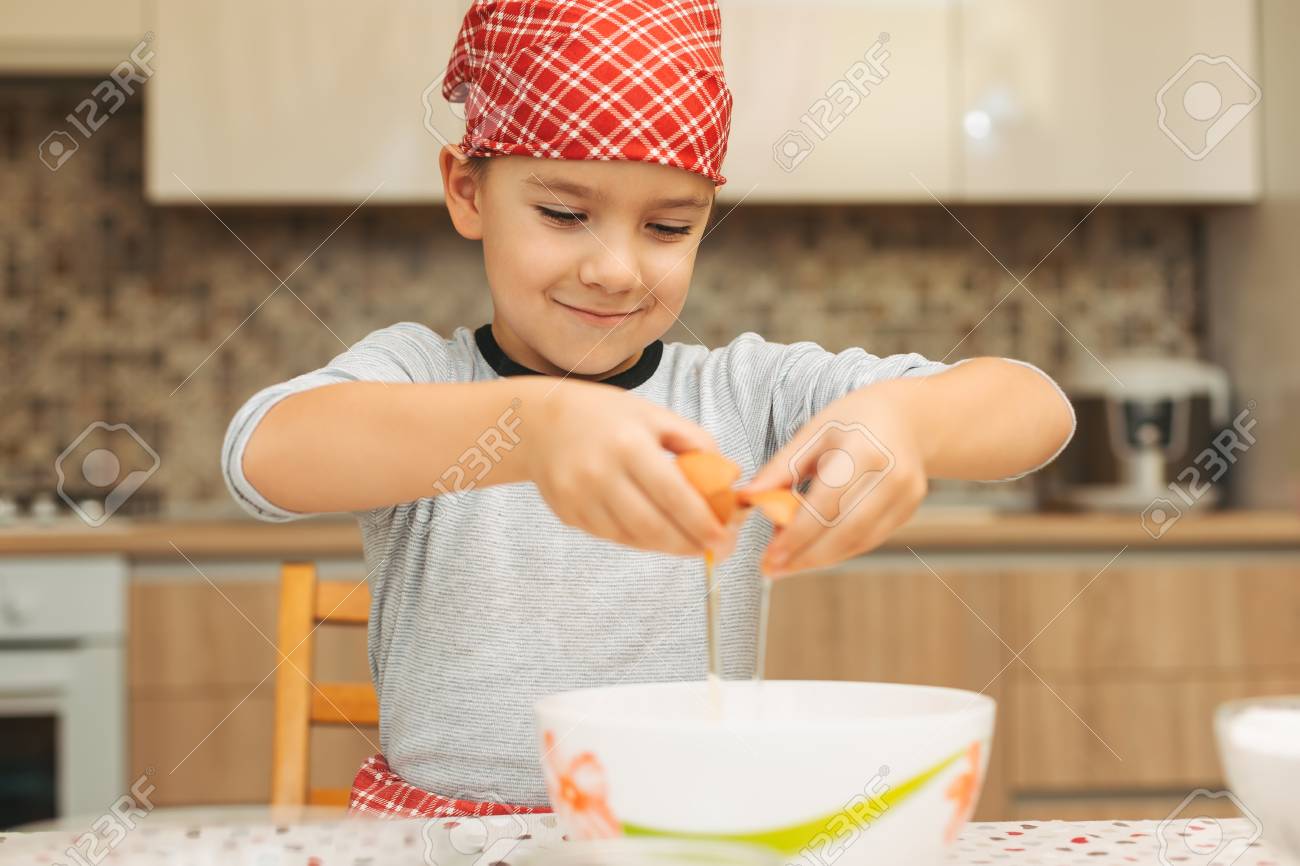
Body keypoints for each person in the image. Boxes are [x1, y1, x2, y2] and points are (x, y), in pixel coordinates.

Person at [221, 0, 1075, 819]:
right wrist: (533, 429)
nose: (618, 271)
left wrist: (908, 424)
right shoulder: (421, 378)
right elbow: (263, 453)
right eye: (565, 214)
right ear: (468, 191)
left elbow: (1037, 409)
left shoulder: (744, 392)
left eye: (669, 228)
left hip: (679, 834)